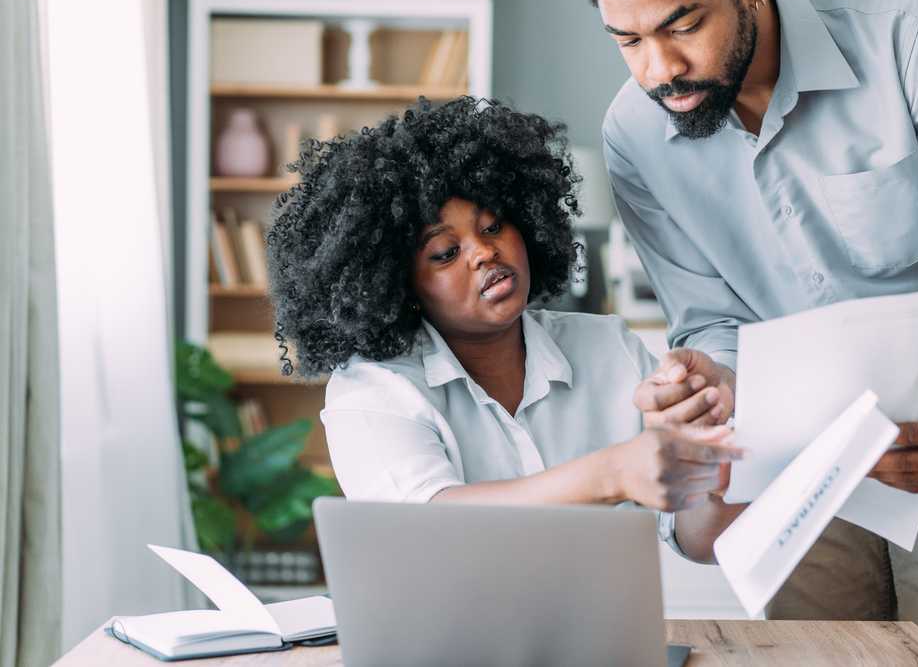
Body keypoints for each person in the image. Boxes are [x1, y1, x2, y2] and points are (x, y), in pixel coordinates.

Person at [578, 0, 918, 665]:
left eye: (681, 25)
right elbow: (711, 321)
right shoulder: (633, 133)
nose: (659, 70)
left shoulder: (902, 27)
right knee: (812, 653)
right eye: (628, 40)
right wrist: (710, 377)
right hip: (791, 409)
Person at [266, 96, 741, 555]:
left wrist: (706, 473)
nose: (484, 252)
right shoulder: (374, 390)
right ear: (397, 284)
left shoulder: (608, 349)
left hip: (602, 634)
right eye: (446, 253)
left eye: (493, 227)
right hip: (447, 638)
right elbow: (424, 527)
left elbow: (702, 539)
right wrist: (612, 473)